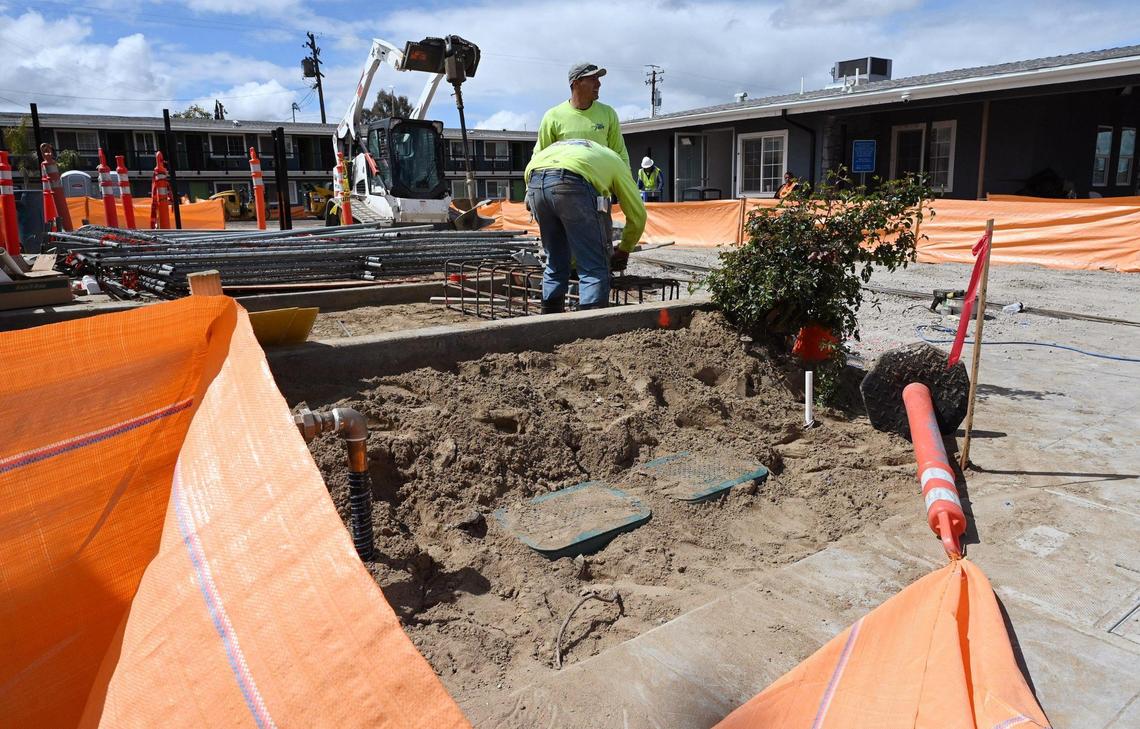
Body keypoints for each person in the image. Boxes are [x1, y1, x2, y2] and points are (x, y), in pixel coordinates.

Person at [524, 139, 646, 313]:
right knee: (594, 266)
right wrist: (625, 248)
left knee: (555, 262)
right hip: (572, 182)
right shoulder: (616, 161)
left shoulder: (566, 149)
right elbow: (638, 215)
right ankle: (591, 331)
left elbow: (530, 174)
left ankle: (548, 322)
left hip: (534, 183)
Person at [534, 62, 630, 169]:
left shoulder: (608, 113)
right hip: (565, 183)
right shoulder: (552, 116)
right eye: (593, 79)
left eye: (598, 79)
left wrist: (627, 182)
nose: (599, 84)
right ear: (576, 83)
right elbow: (539, 158)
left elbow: (620, 155)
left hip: (601, 184)